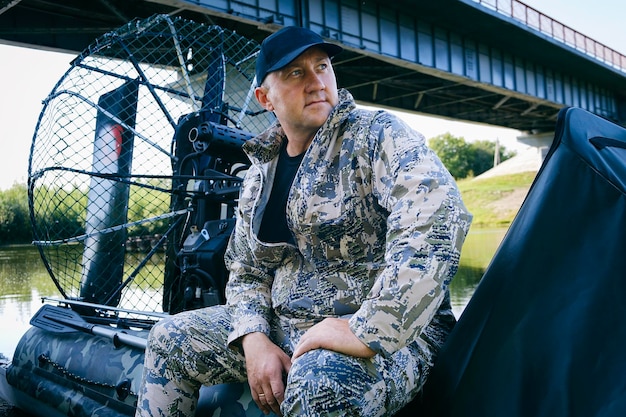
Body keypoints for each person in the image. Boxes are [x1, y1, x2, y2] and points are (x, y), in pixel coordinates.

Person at [135, 26, 472, 417]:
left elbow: (437, 215)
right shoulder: (259, 174)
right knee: (167, 339)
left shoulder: (375, 135)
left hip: (395, 337)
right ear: (264, 98)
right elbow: (246, 272)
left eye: (322, 67)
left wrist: (366, 328)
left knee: (319, 384)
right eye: (296, 73)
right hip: (288, 323)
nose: (316, 82)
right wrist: (253, 336)